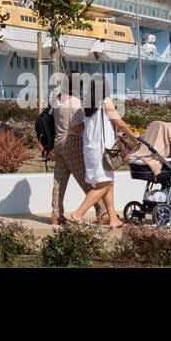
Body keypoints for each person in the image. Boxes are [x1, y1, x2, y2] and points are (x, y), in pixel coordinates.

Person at [69, 76, 138, 229]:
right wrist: (134, 135)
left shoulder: (88, 105)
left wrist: (114, 134)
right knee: (104, 184)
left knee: (108, 183)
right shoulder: (106, 102)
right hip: (102, 151)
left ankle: (113, 219)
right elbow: (119, 122)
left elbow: (94, 126)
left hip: (90, 149)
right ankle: (79, 213)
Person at [50, 72, 101, 226]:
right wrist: (91, 121)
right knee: (86, 178)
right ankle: (103, 212)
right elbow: (77, 127)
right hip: (72, 142)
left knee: (59, 181)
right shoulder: (75, 102)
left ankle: (56, 215)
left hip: (58, 143)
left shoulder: (56, 100)